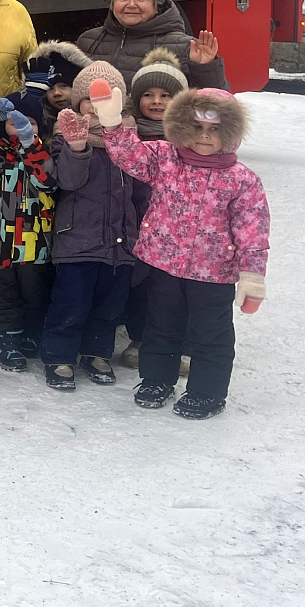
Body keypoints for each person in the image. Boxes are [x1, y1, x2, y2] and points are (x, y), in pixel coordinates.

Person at [95, 84, 269, 419]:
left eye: (215, 129)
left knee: (210, 335)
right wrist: (111, 121)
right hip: (163, 265)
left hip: (214, 274)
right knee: (160, 327)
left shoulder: (242, 181)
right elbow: (128, 154)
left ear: (231, 133)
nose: (204, 136)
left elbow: (254, 232)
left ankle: (207, 392)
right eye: (196, 128)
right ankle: (157, 379)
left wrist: (252, 277)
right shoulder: (164, 158)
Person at [39, 62, 151, 391]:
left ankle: (96, 352)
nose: (96, 106)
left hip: (121, 243)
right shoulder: (65, 138)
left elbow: (141, 191)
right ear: (78, 104)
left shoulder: (130, 141)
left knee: (109, 305)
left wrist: (141, 230)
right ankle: (59, 355)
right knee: (72, 302)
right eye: (89, 99)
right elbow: (68, 182)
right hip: (78, 240)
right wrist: (77, 149)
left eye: (105, 99)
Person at [0, 92, 58, 372]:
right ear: (3, 125)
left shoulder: (44, 153)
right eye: (15, 122)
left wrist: (30, 145)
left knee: (34, 293)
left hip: (36, 243)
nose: (22, 127)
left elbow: (49, 183)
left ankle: (31, 332)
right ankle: (7, 338)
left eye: (30, 122)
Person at [118, 48, 191, 369]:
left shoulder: (190, 141)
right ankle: (140, 336)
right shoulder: (128, 135)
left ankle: (183, 342)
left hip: (178, 231)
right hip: (136, 225)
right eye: (148, 94)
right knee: (141, 285)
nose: (157, 101)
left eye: (166, 95)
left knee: (178, 288)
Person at [76, 0, 228, 88]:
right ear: (112, 4)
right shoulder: (89, 41)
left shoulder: (187, 47)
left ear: (156, 5)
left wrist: (205, 69)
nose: (131, 4)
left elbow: (215, 104)